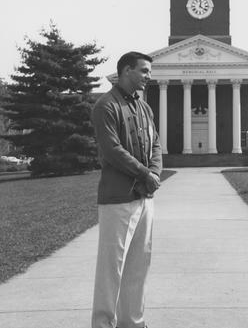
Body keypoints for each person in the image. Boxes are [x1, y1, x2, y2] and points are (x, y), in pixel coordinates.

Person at [91, 51, 162, 328]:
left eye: (149, 71)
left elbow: (156, 144)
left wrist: (154, 172)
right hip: (117, 199)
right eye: (144, 71)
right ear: (126, 70)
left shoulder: (144, 108)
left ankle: (133, 322)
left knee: (138, 265)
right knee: (112, 268)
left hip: (145, 198)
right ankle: (102, 324)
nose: (148, 76)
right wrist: (145, 173)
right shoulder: (105, 106)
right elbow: (112, 151)